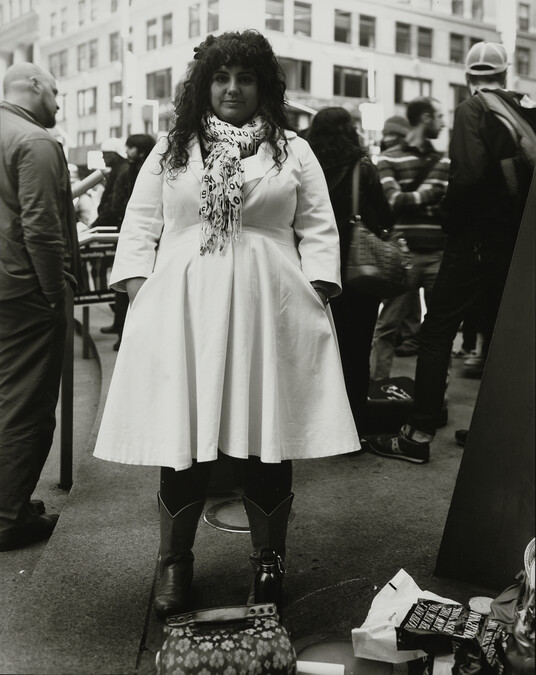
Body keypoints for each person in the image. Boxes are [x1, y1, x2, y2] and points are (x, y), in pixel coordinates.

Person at [93, 30, 360, 617]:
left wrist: (316, 287)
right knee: (183, 437)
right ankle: (174, 560)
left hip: (271, 308)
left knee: (268, 440)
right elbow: (139, 226)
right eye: (222, 78)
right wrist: (142, 287)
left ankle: (268, 563)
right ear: (205, 86)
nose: (233, 89)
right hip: (185, 309)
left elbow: (319, 225)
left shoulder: (293, 149)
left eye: (244, 78)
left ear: (263, 85)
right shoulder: (173, 149)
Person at [364, 42, 535, 464]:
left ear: (467, 76)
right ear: (506, 74)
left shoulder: (472, 109)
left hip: (473, 241)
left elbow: (469, 176)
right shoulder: (527, 112)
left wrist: (449, 220)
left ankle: (417, 434)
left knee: (437, 329)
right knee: (501, 336)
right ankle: (494, 433)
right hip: (514, 243)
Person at [0, 63, 81, 550]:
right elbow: (42, 229)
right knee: (25, 407)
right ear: (32, 85)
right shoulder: (36, 142)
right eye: (55, 89)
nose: (57, 101)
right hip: (24, 292)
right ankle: (9, 517)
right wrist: (55, 293)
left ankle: (8, 500)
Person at [307, 107, 393, 430]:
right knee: (357, 350)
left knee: (317, 348)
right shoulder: (363, 169)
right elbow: (385, 217)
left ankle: (318, 424)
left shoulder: (305, 164)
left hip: (314, 271)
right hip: (358, 273)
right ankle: (353, 426)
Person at [369, 96, 449, 382]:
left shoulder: (444, 160)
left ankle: (434, 398)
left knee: (438, 332)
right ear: (425, 118)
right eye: (440, 116)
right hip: (402, 255)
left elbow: (441, 201)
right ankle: (376, 393)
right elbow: (392, 199)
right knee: (387, 327)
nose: (444, 123)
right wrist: (431, 190)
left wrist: (410, 198)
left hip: (438, 254)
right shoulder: (391, 157)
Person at [104, 133, 156, 351]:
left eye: (132, 147)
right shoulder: (131, 169)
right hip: (131, 235)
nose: (128, 151)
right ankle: (122, 331)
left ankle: (125, 333)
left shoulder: (144, 169)